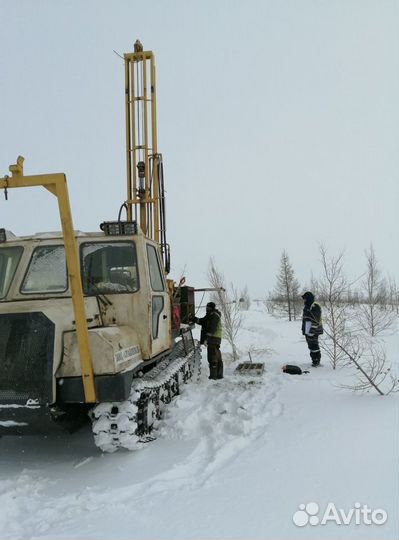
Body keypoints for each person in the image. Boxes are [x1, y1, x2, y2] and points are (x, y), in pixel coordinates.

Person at [191, 302, 223, 380]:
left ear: (212, 308)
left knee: (212, 357)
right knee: (217, 356)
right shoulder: (210, 315)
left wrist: (207, 339)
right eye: (207, 307)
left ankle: (213, 377)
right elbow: (202, 321)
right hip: (215, 338)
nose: (207, 309)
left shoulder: (214, 316)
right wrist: (194, 319)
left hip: (214, 338)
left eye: (208, 307)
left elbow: (212, 328)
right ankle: (219, 375)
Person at [301, 291, 323, 366]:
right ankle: (314, 360)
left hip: (314, 330)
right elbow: (305, 319)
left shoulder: (315, 306)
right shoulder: (307, 306)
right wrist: (304, 330)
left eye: (305, 299)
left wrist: (312, 331)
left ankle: (316, 361)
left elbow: (316, 320)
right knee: (311, 345)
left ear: (308, 298)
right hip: (308, 329)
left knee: (314, 345)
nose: (304, 300)